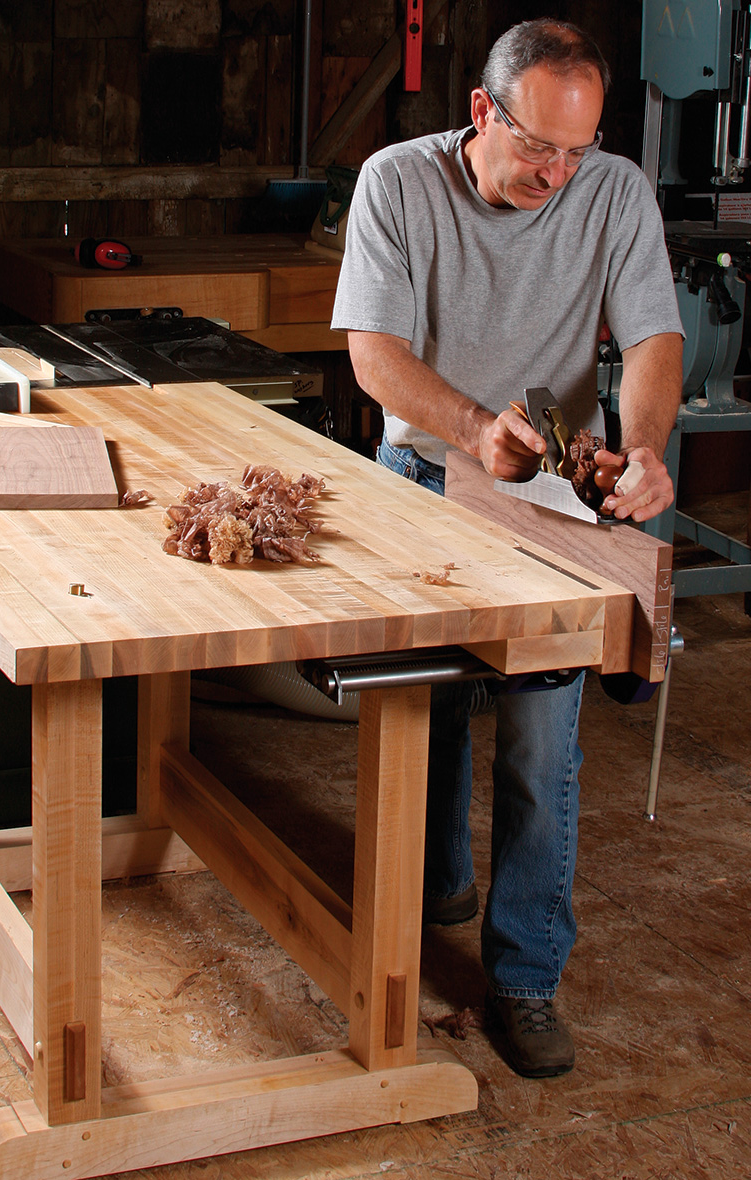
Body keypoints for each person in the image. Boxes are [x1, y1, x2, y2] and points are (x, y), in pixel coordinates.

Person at [331, 18, 683, 1078]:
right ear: (482, 112)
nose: (559, 174)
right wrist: (471, 428)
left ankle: (526, 977)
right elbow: (373, 357)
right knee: (427, 702)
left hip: (554, 494)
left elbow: (655, 336)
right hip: (429, 472)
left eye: (577, 150)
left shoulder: (610, 191)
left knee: (540, 735)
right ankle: (437, 880)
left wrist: (647, 446)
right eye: (539, 148)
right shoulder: (396, 182)